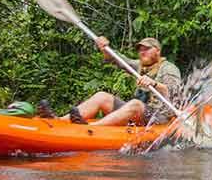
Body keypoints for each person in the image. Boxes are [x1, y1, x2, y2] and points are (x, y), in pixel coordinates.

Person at [40, 37, 181, 126]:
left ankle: (92, 129)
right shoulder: (138, 65)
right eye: (140, 50)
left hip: (159, 117)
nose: (142, 52)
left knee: (135, 104)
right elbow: (116, 59)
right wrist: (105, 48)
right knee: (102, 96)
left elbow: (174, 91)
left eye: (147, 49)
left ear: (157, 51)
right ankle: (60, 121)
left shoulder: (168, 68)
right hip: (138, 114)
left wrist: (154, 83)